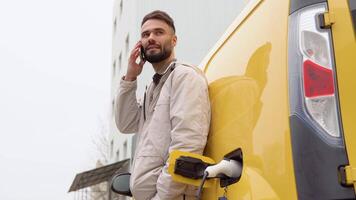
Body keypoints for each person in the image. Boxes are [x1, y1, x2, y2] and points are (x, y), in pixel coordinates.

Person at [115, 10, 211, 200]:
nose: (151, 38)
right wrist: (131, 76)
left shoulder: (184, 77)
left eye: (159, 32)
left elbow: (187, 146)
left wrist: (162, 197)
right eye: (145, 34)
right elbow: (125, 124)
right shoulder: (153, 86)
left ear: (174, 40)